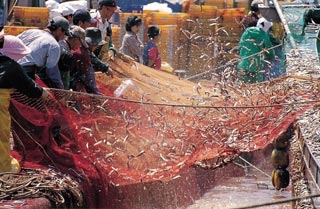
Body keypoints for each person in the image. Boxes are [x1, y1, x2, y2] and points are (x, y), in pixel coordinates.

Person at [0, 34, 51, 173]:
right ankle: (3, 168)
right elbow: (29, 87)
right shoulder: (11, 66)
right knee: (1, 137)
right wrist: (42, 93)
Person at [17, 16, 71, 89]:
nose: (64, 37)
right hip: (24, 74)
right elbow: (52, 73)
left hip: (6, 66)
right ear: (59, 29)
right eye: (65, 33)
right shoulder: (54, 45)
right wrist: (61, 90)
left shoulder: (31, 31)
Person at [237, 17, 275, 83]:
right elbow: (269, 50)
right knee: (256, 88)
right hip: (256, 67)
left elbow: (240, 45)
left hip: (243, 64)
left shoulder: (247, 31)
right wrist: (272, 57)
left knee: (241, 87)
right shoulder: (264, 36)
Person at [58, 25, 87, 90]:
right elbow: (64, 79)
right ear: (76, 40)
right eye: (80, 43)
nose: (80, 46)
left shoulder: (60, 42)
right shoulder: (66, 54)